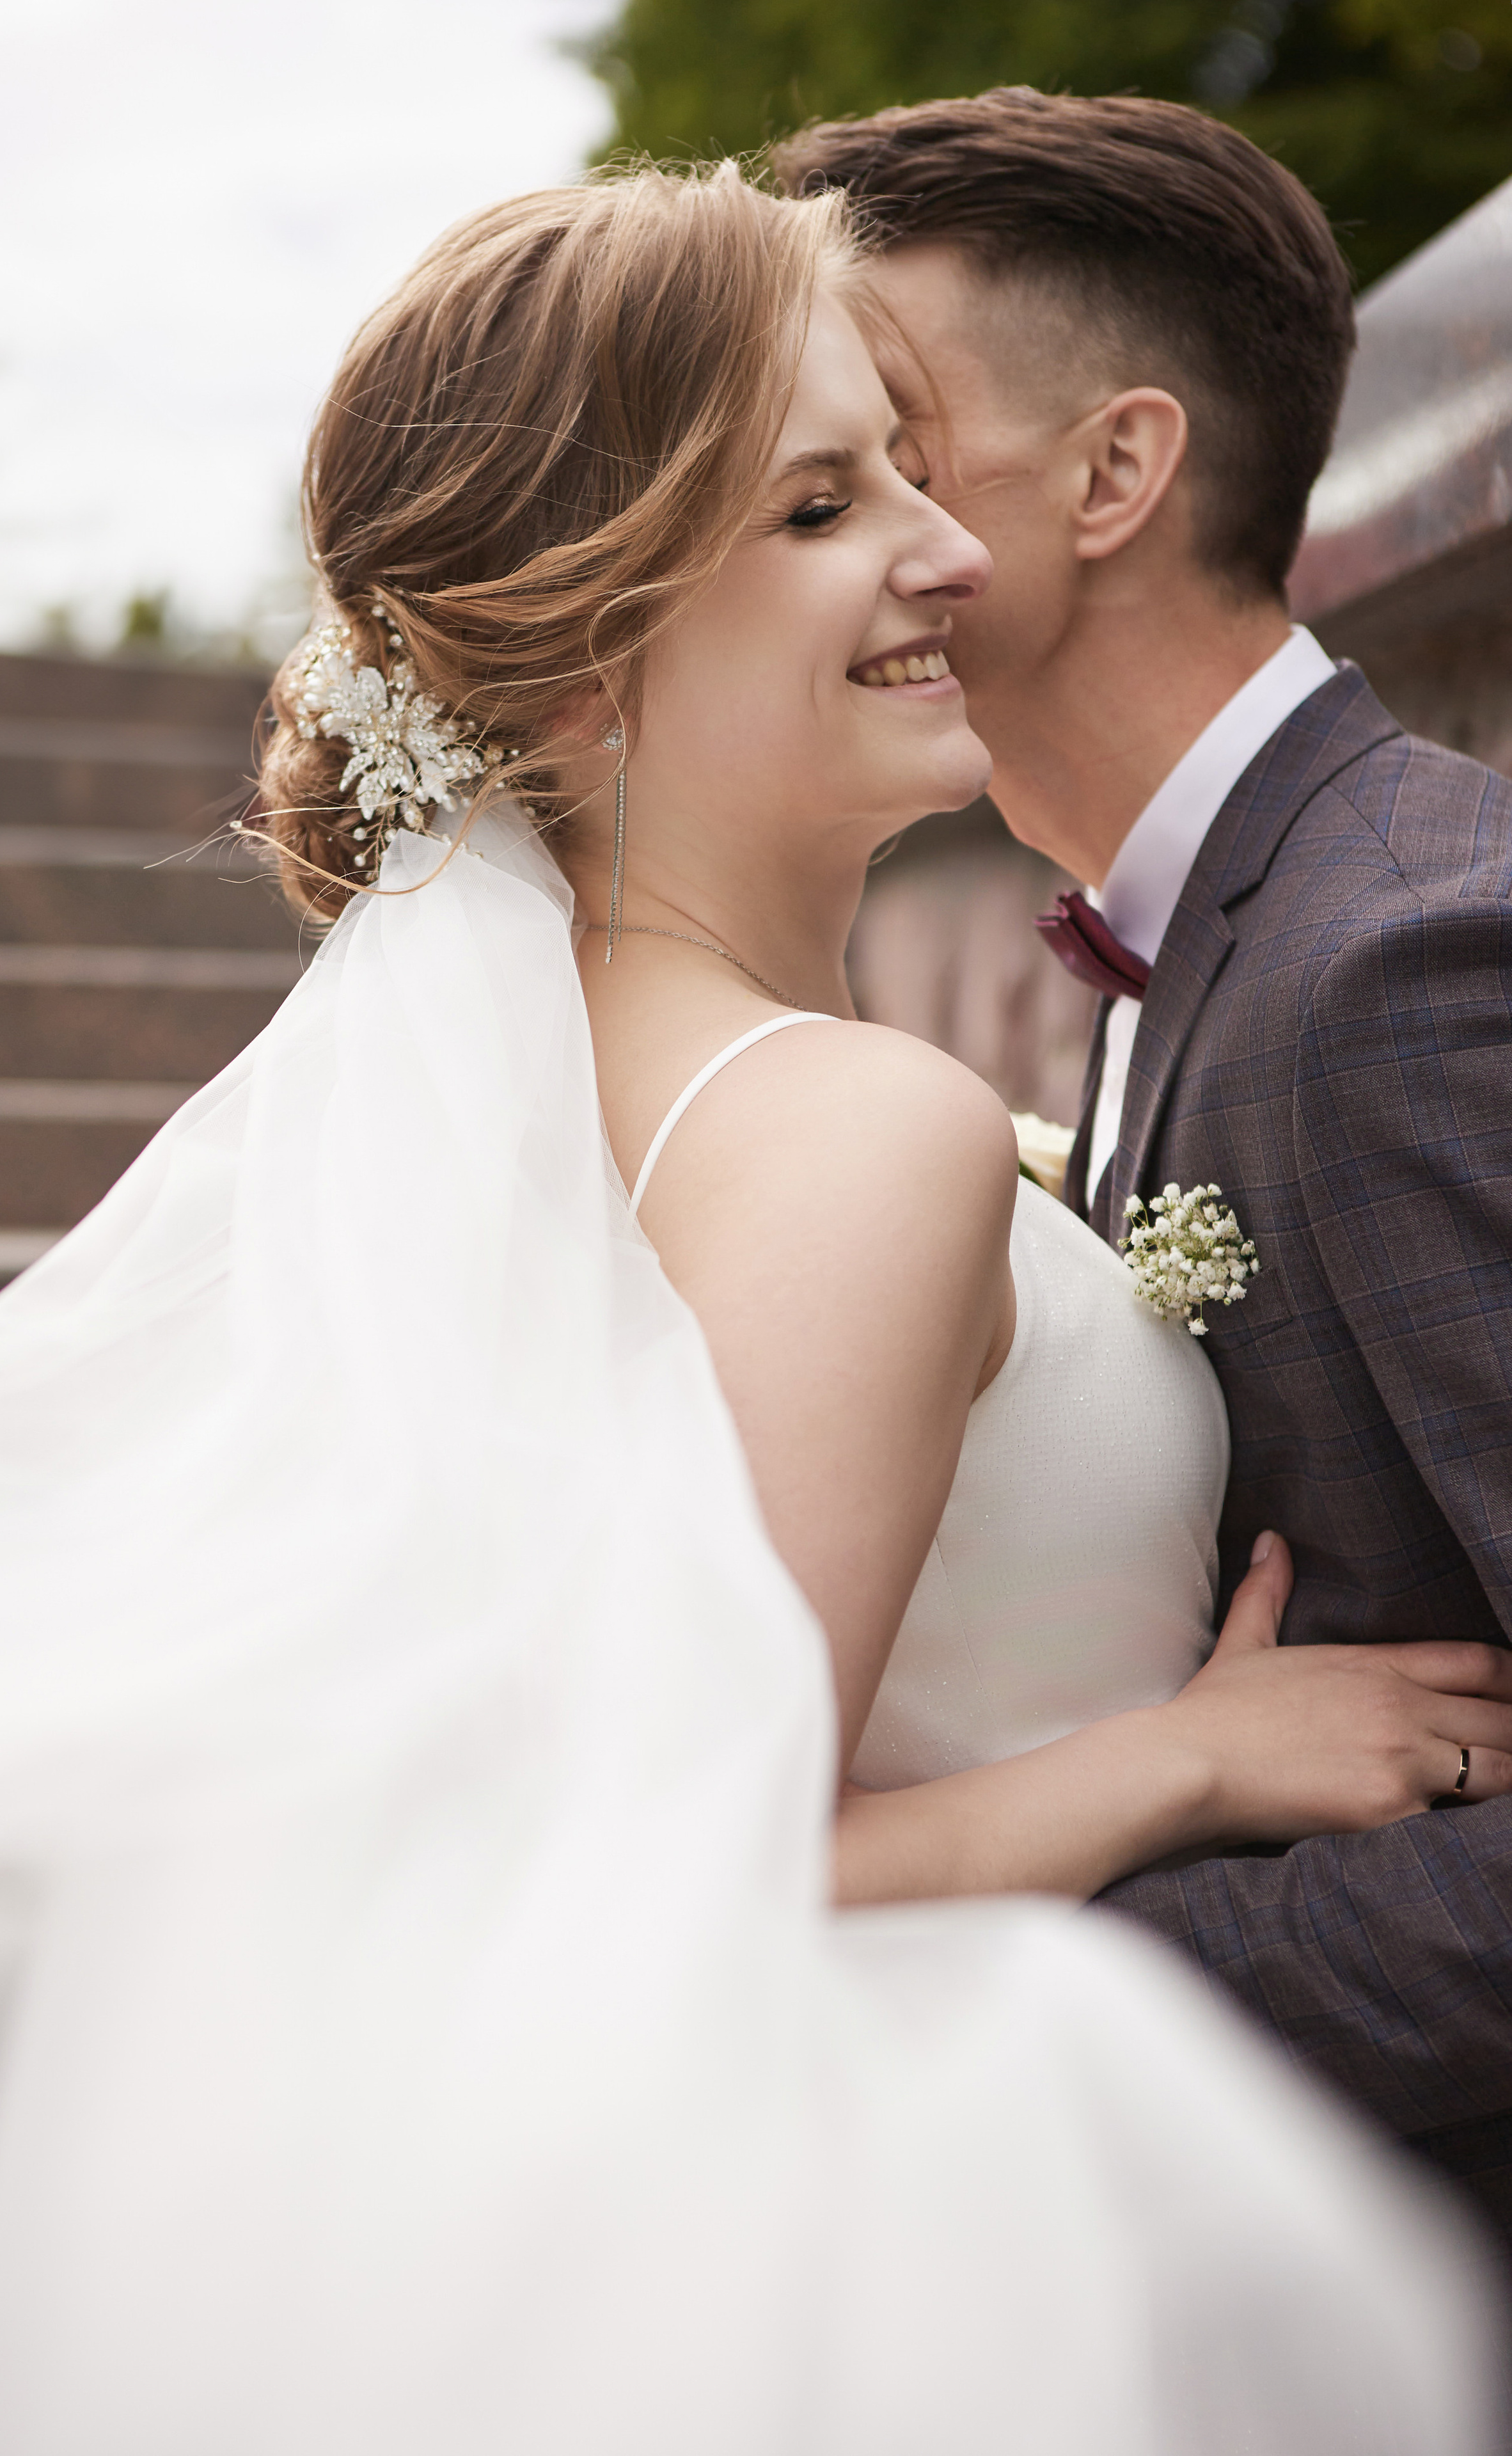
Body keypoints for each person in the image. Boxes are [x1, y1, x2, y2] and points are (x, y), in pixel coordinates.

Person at [0, 166, 1499, 2450]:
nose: (940, 552)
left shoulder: (551, 1112)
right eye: (821, 506)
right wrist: (1187, 1758)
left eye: (916, 473)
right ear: (569, 638)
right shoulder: (851, 1136)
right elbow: (683, 1882)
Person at [776, 88, 1512, 2235]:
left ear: (1115, 470)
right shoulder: (1183, 943)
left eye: (888, 439)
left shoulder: (1413, 959)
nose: (849, 516)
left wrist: (1035, 2000)